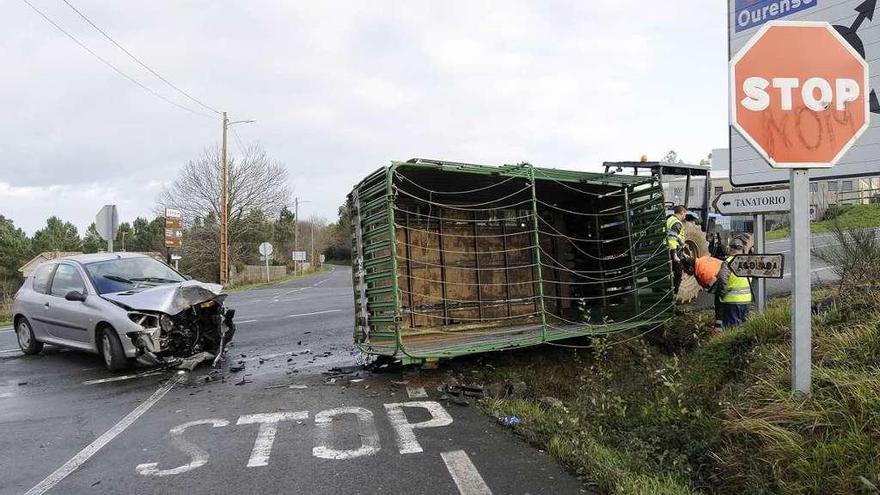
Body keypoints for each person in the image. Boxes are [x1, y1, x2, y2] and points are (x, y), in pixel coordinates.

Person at [680, 254, 728, 334]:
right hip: (724, 274)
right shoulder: (701, 261)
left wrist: (707, 288)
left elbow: (716, 288)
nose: (685, 273)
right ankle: (720, 326)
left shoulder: (704, 273)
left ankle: (720, 330)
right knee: (720, 304)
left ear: (690, 267)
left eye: (685, 270)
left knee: (721, 304)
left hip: (726, 281)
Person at [720, 234, 753, 328]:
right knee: (744, 329)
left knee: (732, 329)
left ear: (730, 248)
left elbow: (722, 280)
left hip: (731, 301)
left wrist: (721, 294)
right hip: (746, 301)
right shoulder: (748, 261)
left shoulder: (728, 262)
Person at [665, 205, 688, 294]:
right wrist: (674, 255)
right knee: (678, 272)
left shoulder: (669, 220)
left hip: (668, 248)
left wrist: (682, 243)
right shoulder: (677, 223)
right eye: (685, 214)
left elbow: (674, 236)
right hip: (672, 250)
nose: (685, 217)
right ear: (682, 213)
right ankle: (674, 293)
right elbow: (671, 238)